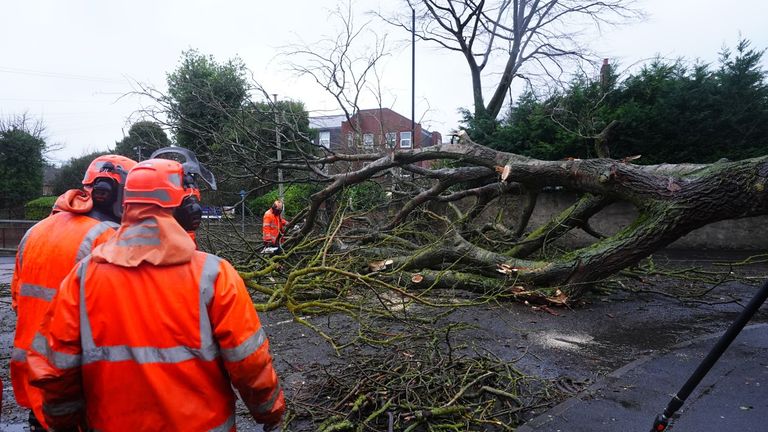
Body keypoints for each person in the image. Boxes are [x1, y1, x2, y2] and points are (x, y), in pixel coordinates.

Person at [27, 158, 285, 432]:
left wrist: (65, 424)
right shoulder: (215, 275)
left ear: (126, 205)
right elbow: (249, 362)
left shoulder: (83, 277)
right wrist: (269, 412)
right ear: (184, 206)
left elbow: (55, 369)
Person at [10, 154, 137, 431]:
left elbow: (18, 301)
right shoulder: (111, 239)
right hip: (78, 383)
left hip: (36, 380)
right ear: (110, 191)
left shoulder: (35, 231)